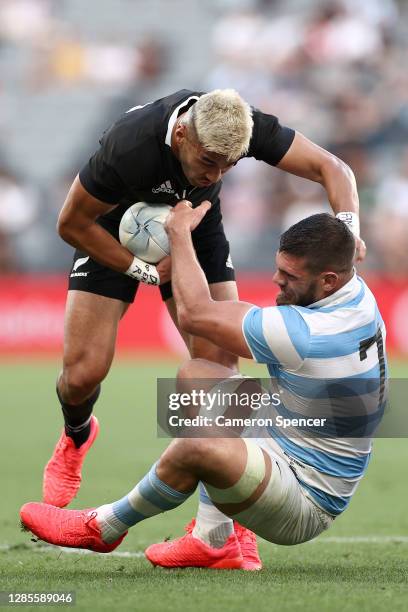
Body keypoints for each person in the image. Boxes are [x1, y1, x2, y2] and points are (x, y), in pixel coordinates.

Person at [44, 88, 365, 570]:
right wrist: (147, 271)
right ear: (180, 134)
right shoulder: (129, 147)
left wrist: (347, 232)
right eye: (209, 162)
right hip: (109, 230)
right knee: (83, 374)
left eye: (229, 166)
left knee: (215, 371)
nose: (216, 176)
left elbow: (334, 169)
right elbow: (70, 223)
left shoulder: (240, 123)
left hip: (194, 227)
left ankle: (220, 533)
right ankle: (76, 433)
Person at [21, 211, 384, 570]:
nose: (276, 280)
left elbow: (195, 314)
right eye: (279, 268)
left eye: (289, 276)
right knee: (198, 374)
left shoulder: (306, 334)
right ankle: (215, 540)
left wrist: (179, 234)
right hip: (289, 435)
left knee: (198, 445)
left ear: (329, 281)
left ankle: (104, 527)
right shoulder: (356, 296)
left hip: (304, 497)